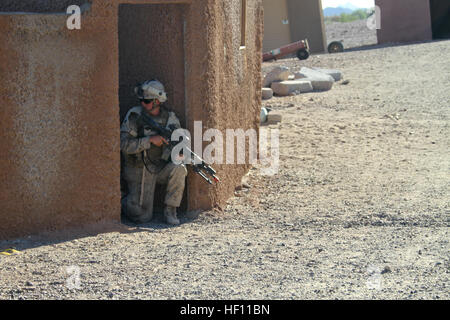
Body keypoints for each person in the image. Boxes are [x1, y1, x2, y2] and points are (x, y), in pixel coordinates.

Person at [120, 80, 187, 225]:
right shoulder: (134, 115)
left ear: (157, 101)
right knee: (141, 216)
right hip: (138, 170)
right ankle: (122, 199)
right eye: (142, 100)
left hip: (158, 167)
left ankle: (171, 210)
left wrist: (177, 152)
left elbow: (180, 144)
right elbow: (124, 144)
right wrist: (149, 140)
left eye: (147, 101)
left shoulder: (170, 119)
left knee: (179, 168)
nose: (143, 104)